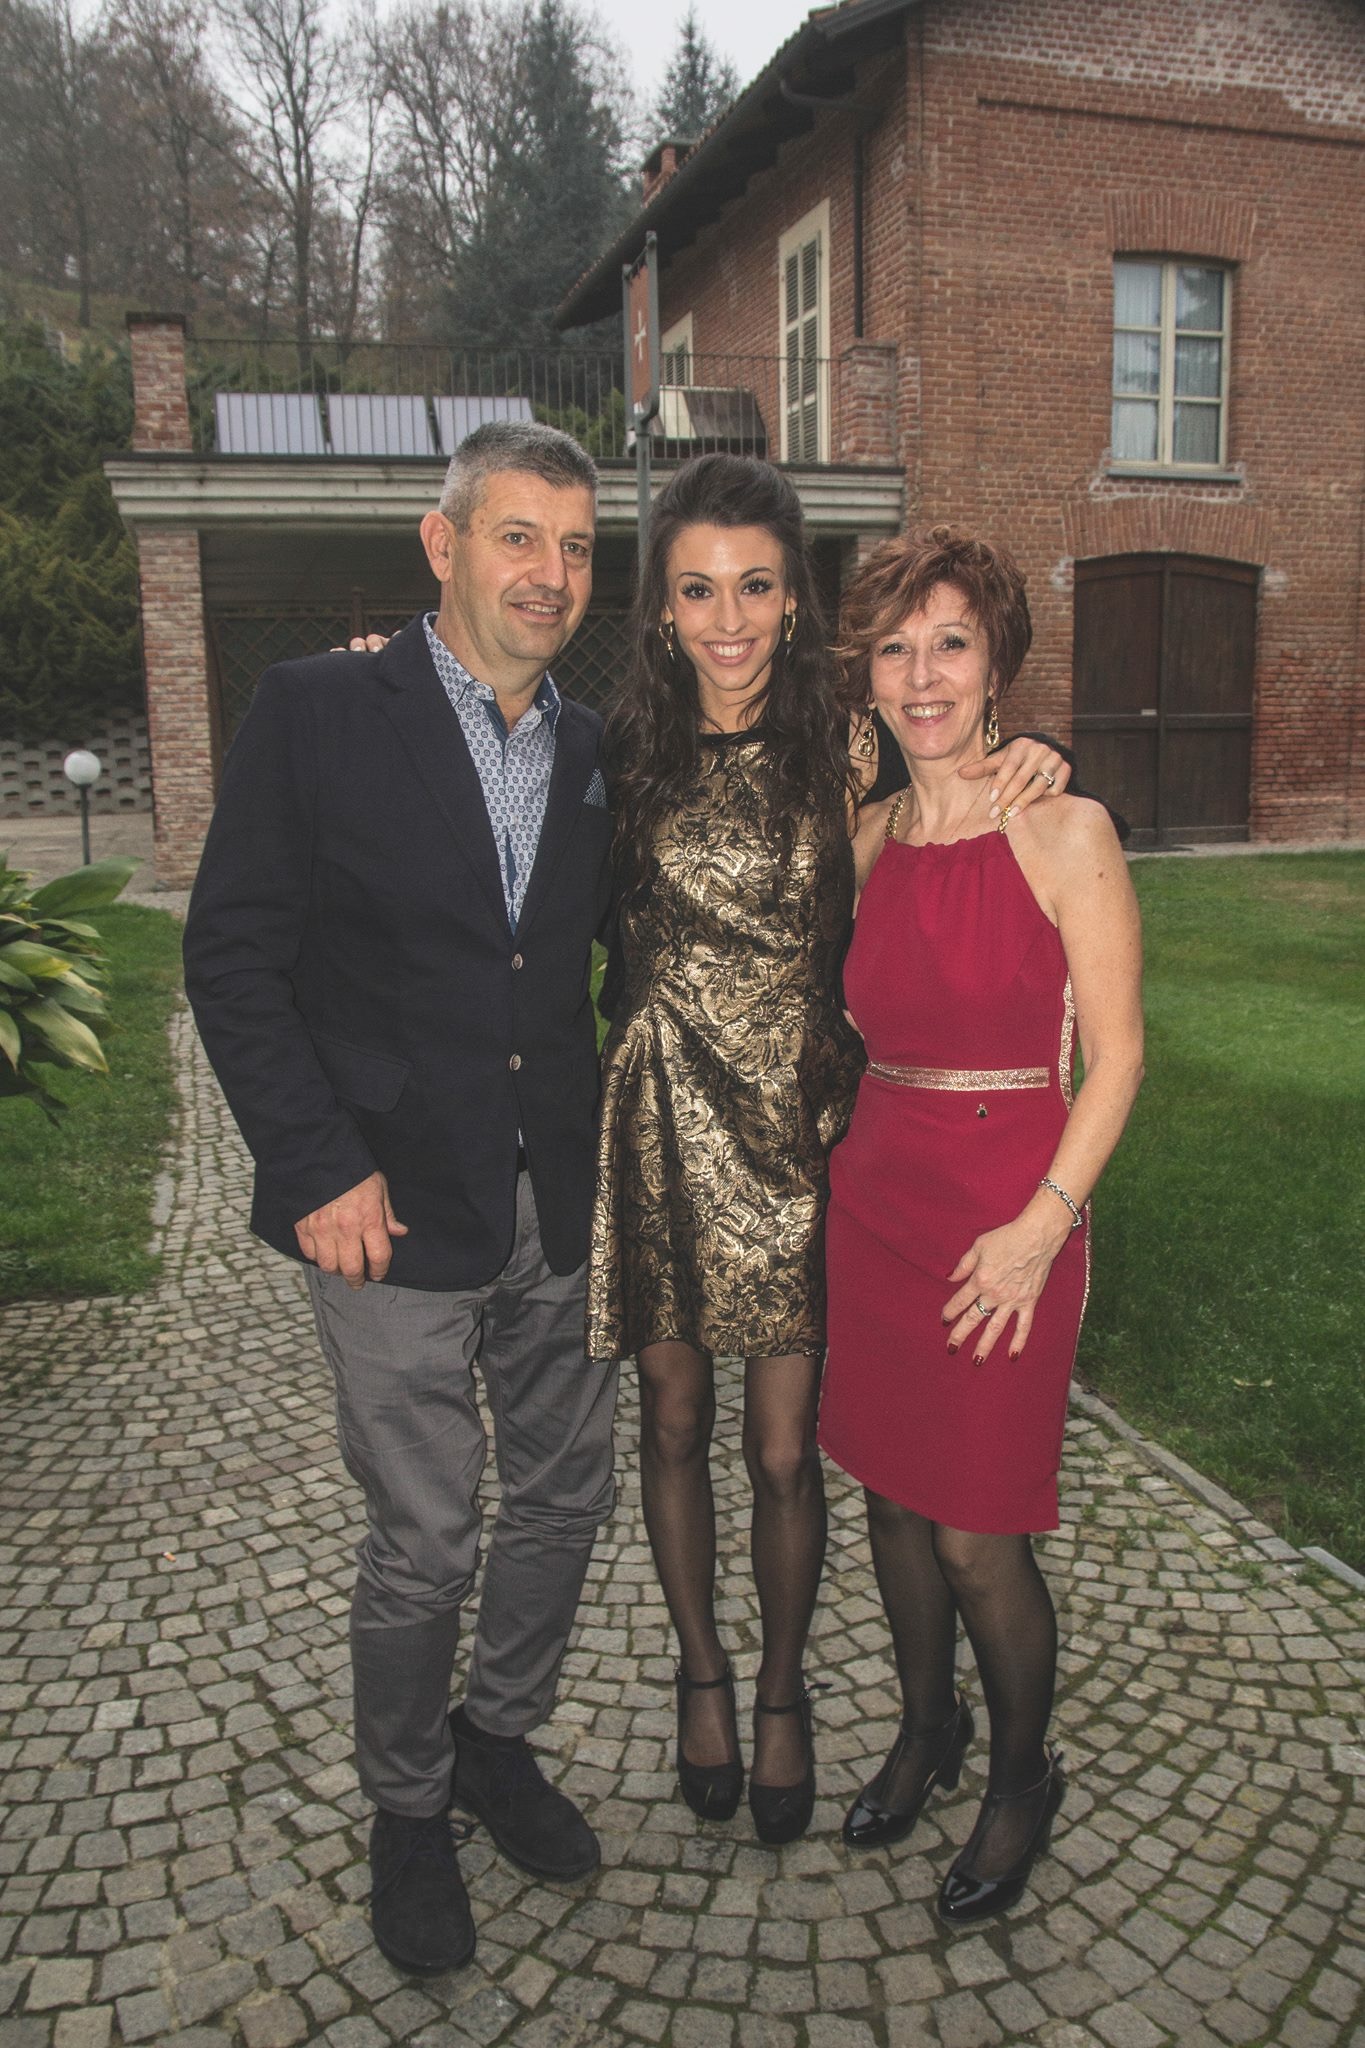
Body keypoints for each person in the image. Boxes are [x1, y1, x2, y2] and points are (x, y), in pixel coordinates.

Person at [182, 421, 618, 1978]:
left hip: (553, 1196)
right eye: (518, 537)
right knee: (426, 1538)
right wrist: (314, 1164)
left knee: (565, 1499)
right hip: (385, 1209)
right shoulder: (315, 709)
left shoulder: (591, 747)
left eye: (576, 547)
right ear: (443, 546)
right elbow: (231, 954)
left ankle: (497, 1738)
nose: (550, 574)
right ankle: (409, 1807)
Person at [587, 458, 1071, 1845]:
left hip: (803, 1134)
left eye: (754, 585)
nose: (727, 617)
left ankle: (786, 1691)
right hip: (662, 1117)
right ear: (660, 606)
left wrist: (1045, 752)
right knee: (671, 1420)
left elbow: (958, 777)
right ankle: (702, 1677)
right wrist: (384, 666)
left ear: (794, 600)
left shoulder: (845, 742)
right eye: (696, 590)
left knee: (787, 1447)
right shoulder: (611, 746)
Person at [818, 527, 1144, 1921]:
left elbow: (1118, 1058)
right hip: (878, 1202)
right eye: (894, 650)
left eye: (949, 643)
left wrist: (1042, 1226)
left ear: (997, 660)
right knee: (892, 1503)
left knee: (973, 1533)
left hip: (1011, 1215)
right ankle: (925, 1726)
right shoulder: (865, 837)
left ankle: (1021, 1777)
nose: (922, 675)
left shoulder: (1066, 829)